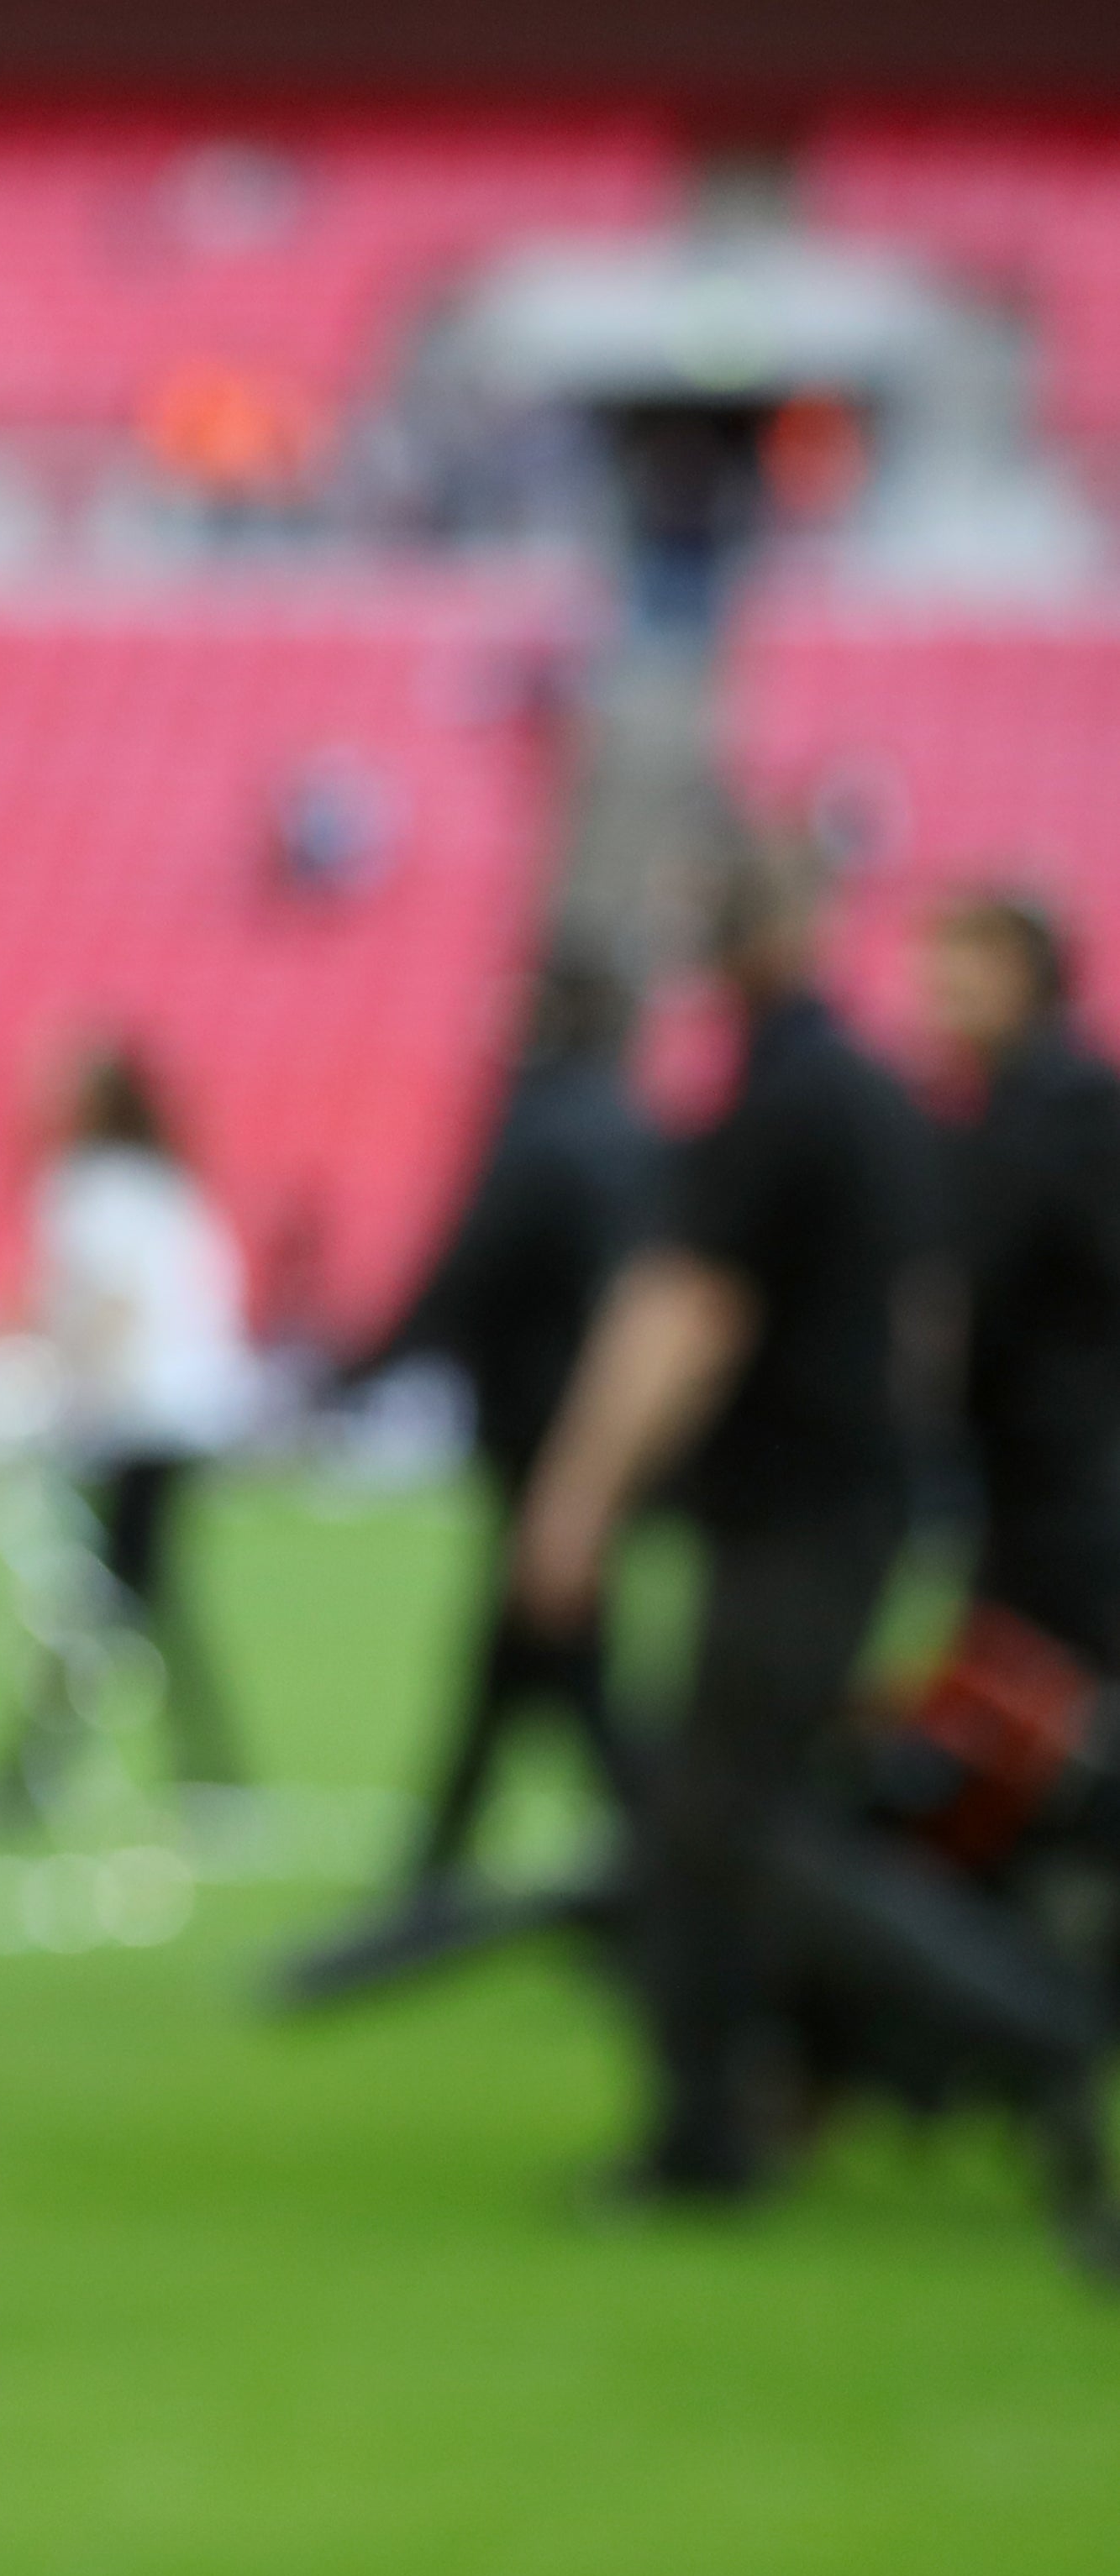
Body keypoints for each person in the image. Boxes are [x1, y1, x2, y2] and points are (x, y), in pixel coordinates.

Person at [516, 835, 937, 2197]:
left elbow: (685, 1312)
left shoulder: (781, 1100)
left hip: (792, 1520)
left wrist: (578, 1496)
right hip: (851, 1511)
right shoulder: (868, 1090)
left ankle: (719, 2131)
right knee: (739, 1816)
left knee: (721, 1826)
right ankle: (763, 2101)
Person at [291, 960, 657, 1996]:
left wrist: (359, 1372)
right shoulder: (629, 1127)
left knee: (555, 1658)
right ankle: (442, 1870)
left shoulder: (539, 1129)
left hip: (542, 1446)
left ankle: (660, 1878)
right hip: (602, 1439)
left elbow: (467, 1270)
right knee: (533, 1662)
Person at [17, 1041, 253, 1800]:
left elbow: (112, 1307)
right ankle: (196, 1767)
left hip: (132, 1418)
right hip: (182, 1414)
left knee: (108, 1593)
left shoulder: (89, 1189)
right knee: (125, 1591)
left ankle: (45, 1768)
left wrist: (64, 1396)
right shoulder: (162, 1185)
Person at [924, 889, 1120, 1671]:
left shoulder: (1073, 1108)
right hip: (1024, 1467)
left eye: (958, 970)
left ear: (1017, 972)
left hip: (1067, 1475)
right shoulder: (1014, 1101)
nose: (938, 994)